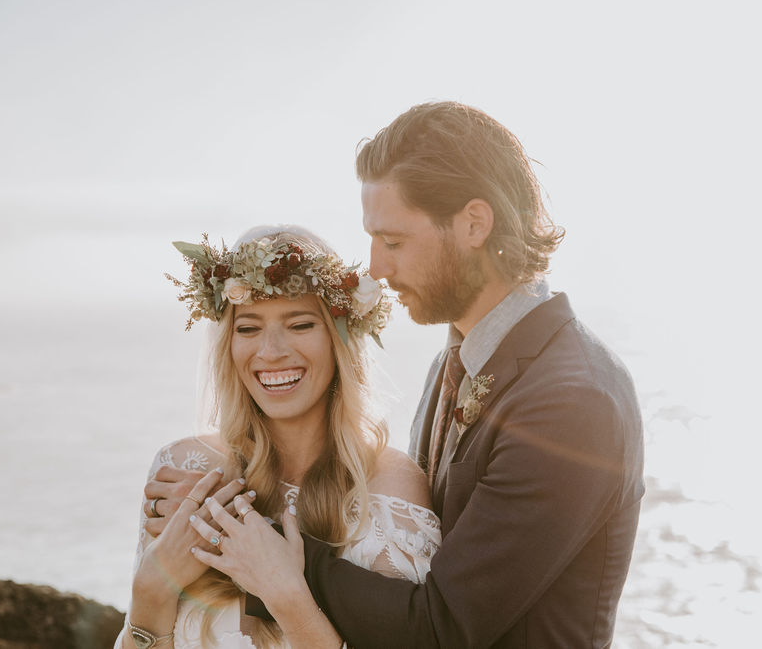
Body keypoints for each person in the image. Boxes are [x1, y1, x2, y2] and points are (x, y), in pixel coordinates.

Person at [149, 102, 645, 648]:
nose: (377, 268)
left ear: (474, 224)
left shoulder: (572, 402)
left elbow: (442, 627)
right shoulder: (455, 362)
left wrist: (245, 533)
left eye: (393, 242)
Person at [116, 225, 440, 649]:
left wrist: (288, 598)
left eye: (300, 324)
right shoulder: (182, 472)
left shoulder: (389, 489)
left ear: (339, 340)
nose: (270, 352)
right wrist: (150, 591)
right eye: (248, 329)